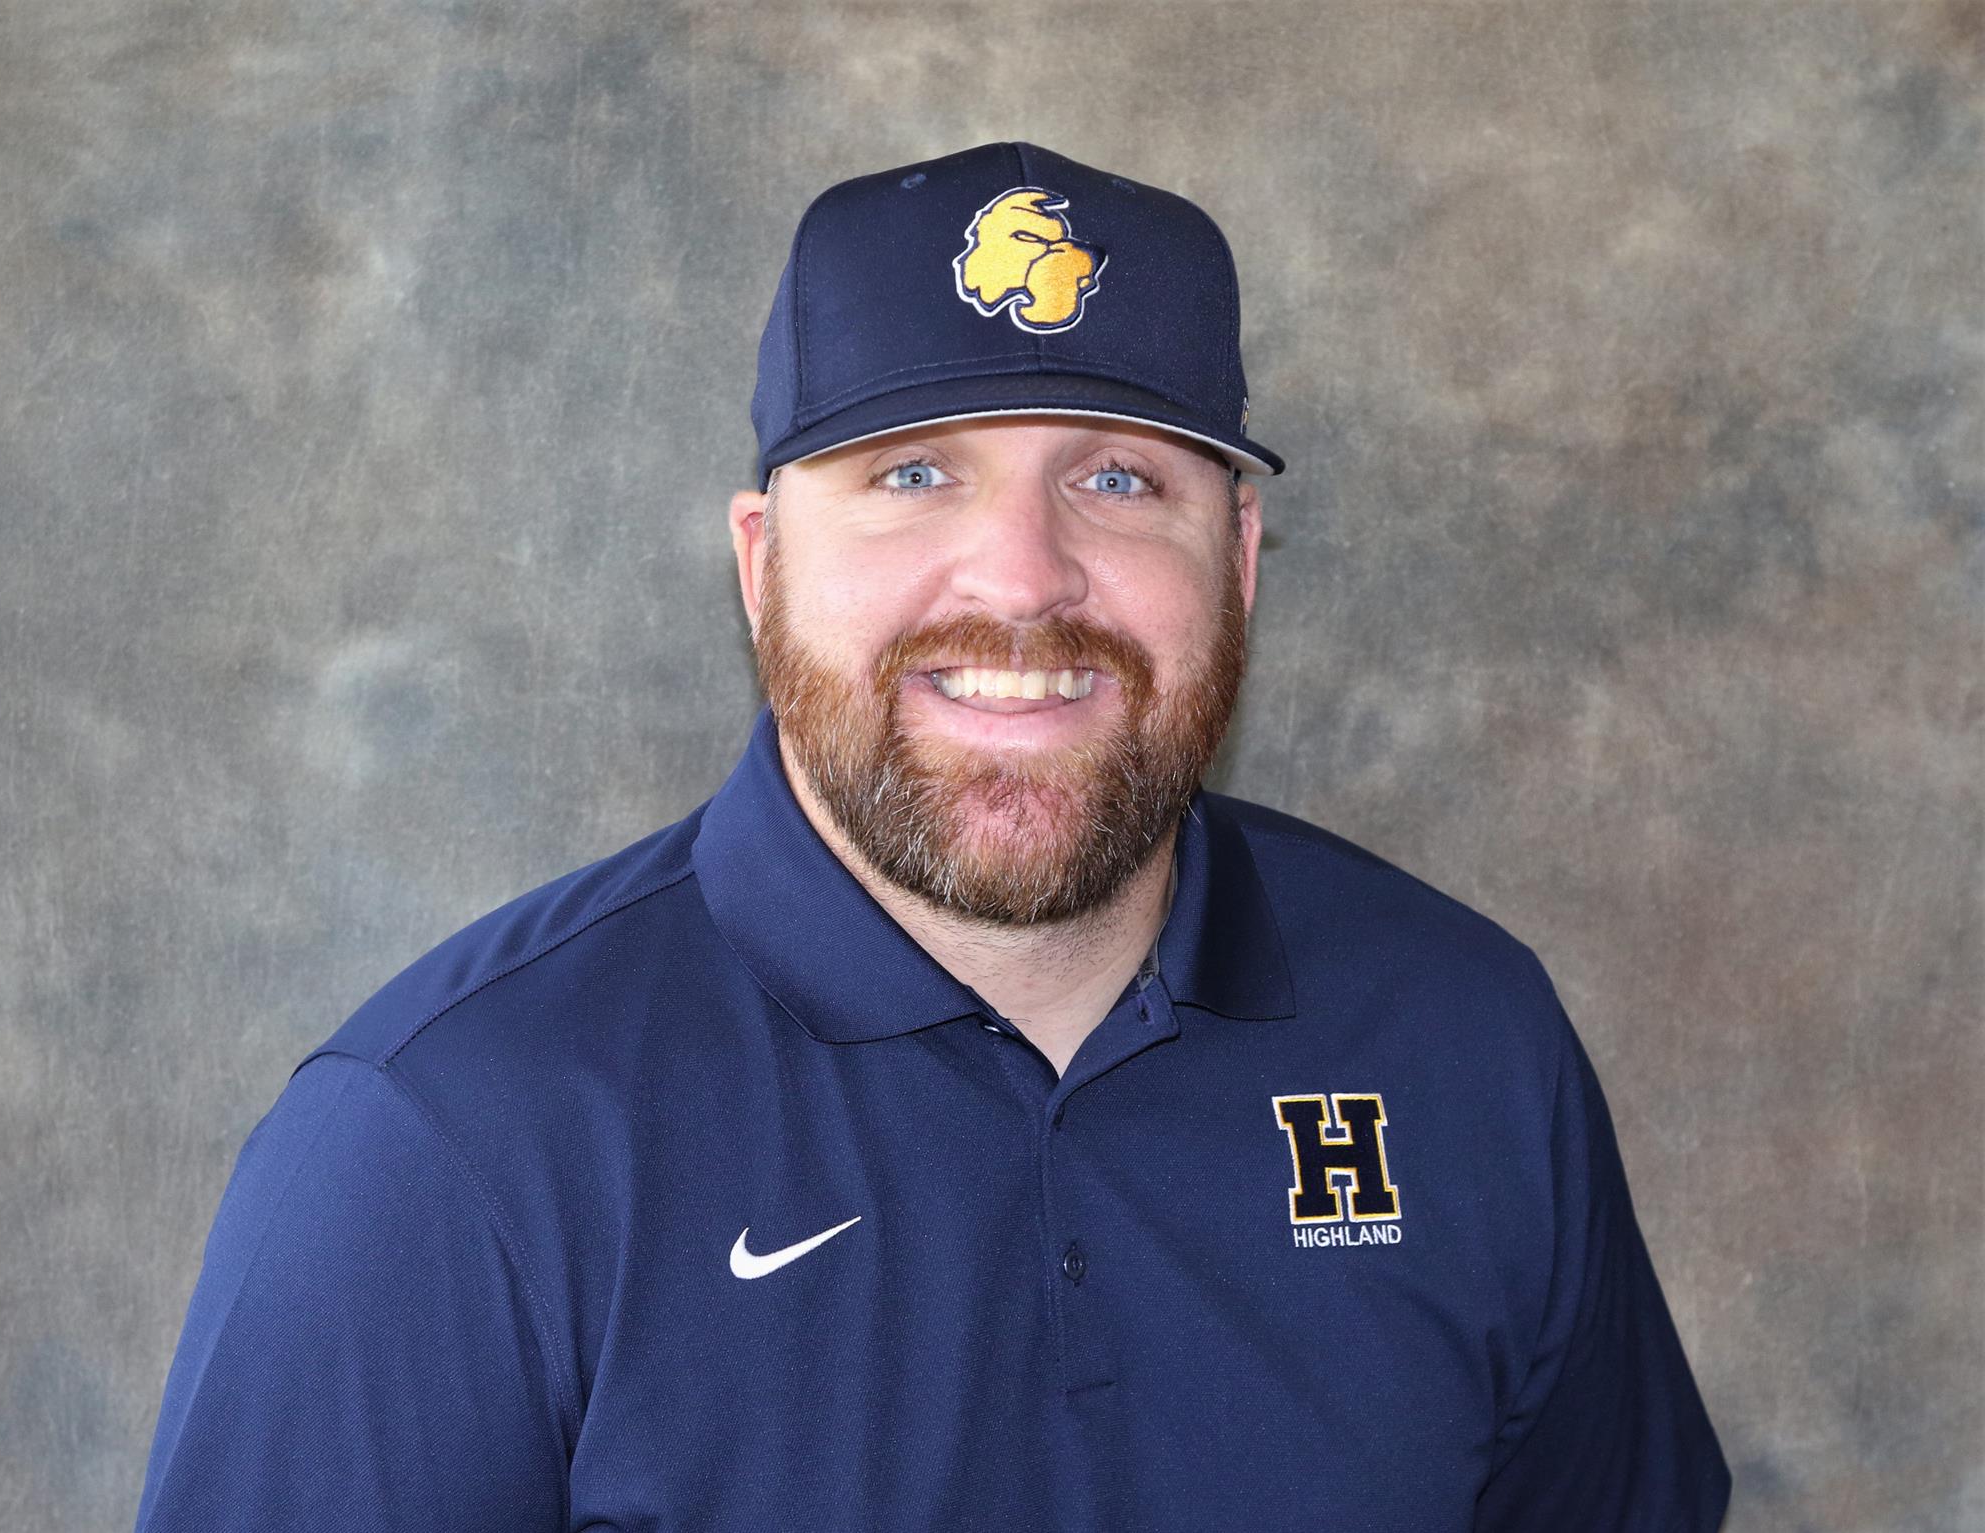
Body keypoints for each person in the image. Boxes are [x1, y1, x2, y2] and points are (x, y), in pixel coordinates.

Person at [133, 141, 1731, 1530]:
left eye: (1117, 477)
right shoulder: (445, 1143)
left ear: (1239, 559)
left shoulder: (1467, 1038)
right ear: (760, 566)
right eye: (911, 473)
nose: (1021, 578)